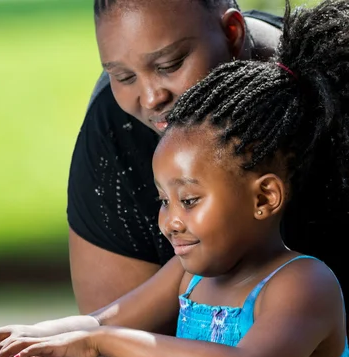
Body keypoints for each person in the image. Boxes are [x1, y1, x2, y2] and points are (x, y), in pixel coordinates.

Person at [0, 0, 349, 357]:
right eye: (164, 201)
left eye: (189, 200)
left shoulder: (305, 285)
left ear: (264, 197)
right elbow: (105, 320)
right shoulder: (190, 275)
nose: (169, 221)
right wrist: (36, 336)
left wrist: (103, 344)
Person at [67, 0, 348, 320]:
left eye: (169, 64)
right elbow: (106, 334)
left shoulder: (304, 286)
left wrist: (98, 342)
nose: (150, 98)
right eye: (124, 77)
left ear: (232, 32)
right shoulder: (117, 129)